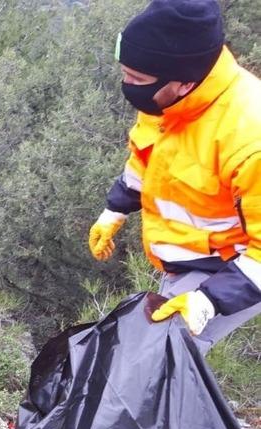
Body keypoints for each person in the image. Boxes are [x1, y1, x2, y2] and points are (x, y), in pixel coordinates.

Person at [88, 0, 261, 354]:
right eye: (125, 73)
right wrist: (115, 209)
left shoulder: (248, 138)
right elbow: (147, 157)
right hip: (187, 258)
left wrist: (209, 299)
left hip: (231, 266)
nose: (127, 85)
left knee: (159, 359)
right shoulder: (164, 99)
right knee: (149, 356)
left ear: (184, 83)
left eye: (136, 79)